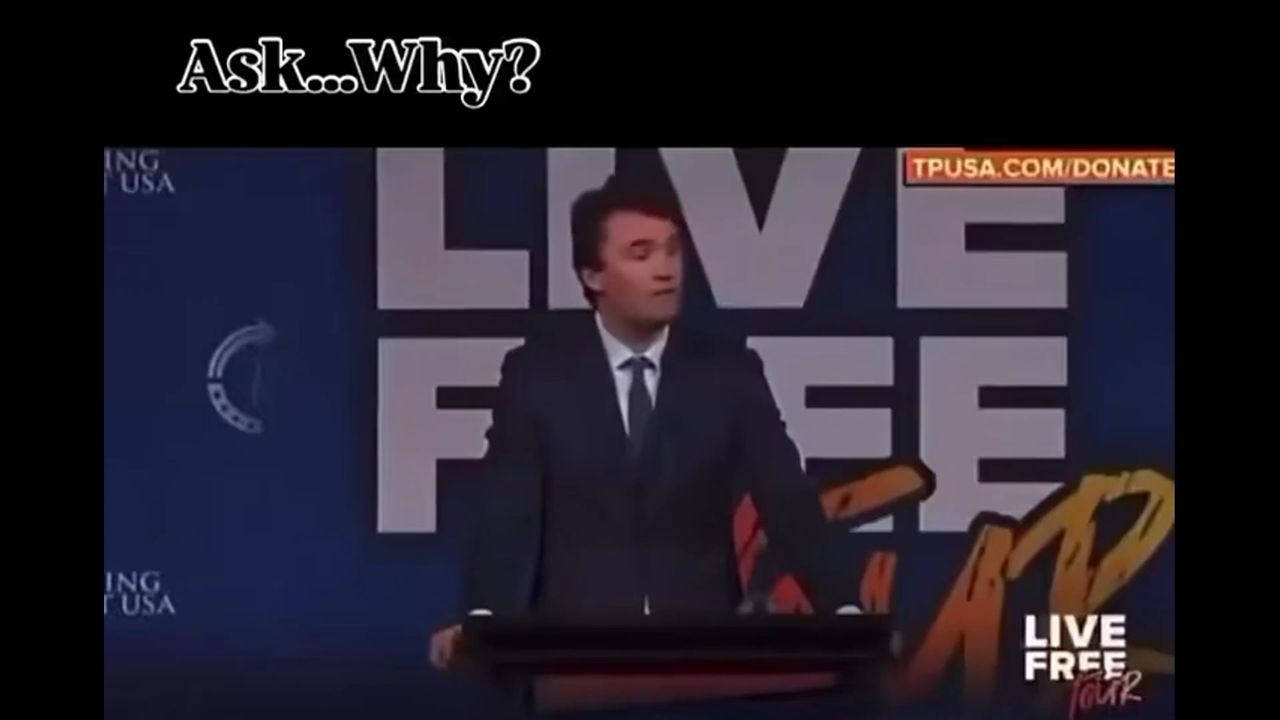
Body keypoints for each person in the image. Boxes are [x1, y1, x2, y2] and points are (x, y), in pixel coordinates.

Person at [430, 173, 859, 671]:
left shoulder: (729, 372)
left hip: (702, 651)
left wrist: (844, 609)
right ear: (593, 276)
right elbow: (509, 510)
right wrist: (483, 619)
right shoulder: (537, 376)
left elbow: (787, 499)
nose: (666, 269)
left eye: (673, 250)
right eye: (641, 254)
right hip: (574, 654)